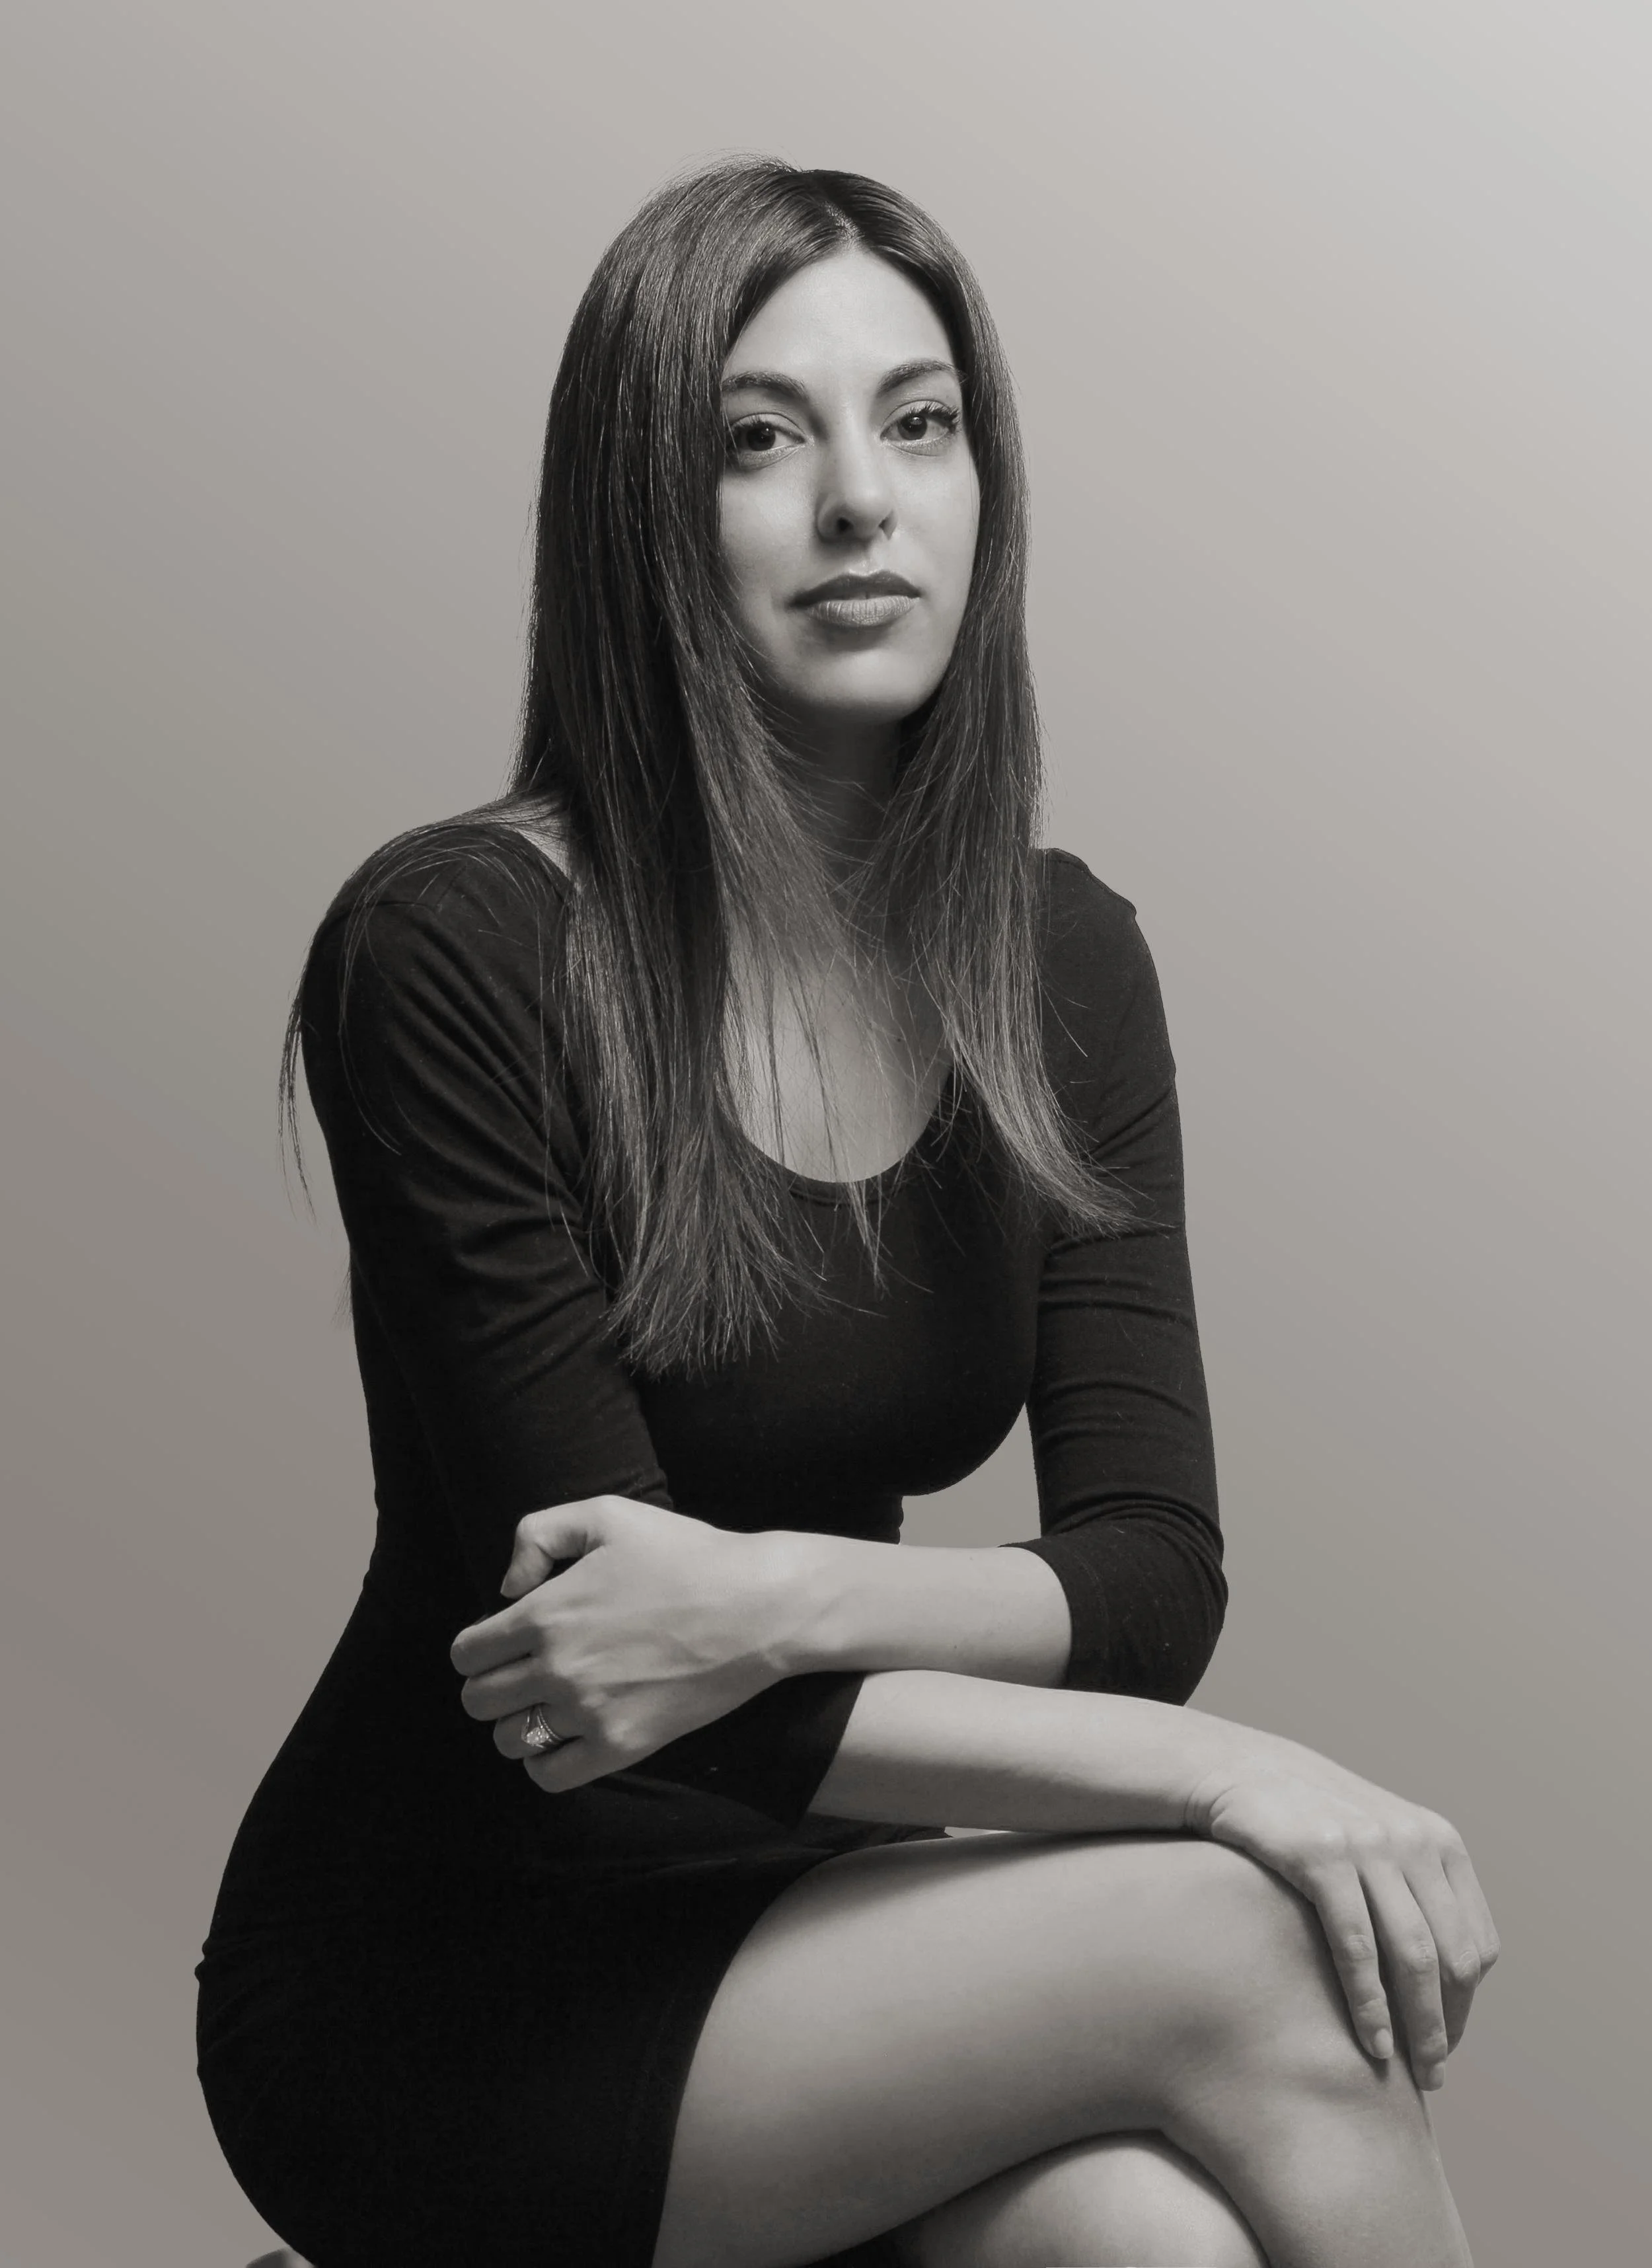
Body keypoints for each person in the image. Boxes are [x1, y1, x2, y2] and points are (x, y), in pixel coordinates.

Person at [196, 160, 1499, 2268]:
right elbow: (596, 1691)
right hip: (442, 1973)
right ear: (640, 509)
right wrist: (1225, 1779)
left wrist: (774, 1597)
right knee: (1255, 1933)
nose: (860, 503)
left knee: (1152, 2248)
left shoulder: (1059, 962)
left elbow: (1146, 1579)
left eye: (917, 422)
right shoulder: (455, 947)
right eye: (758, 438)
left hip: (808, 1900)